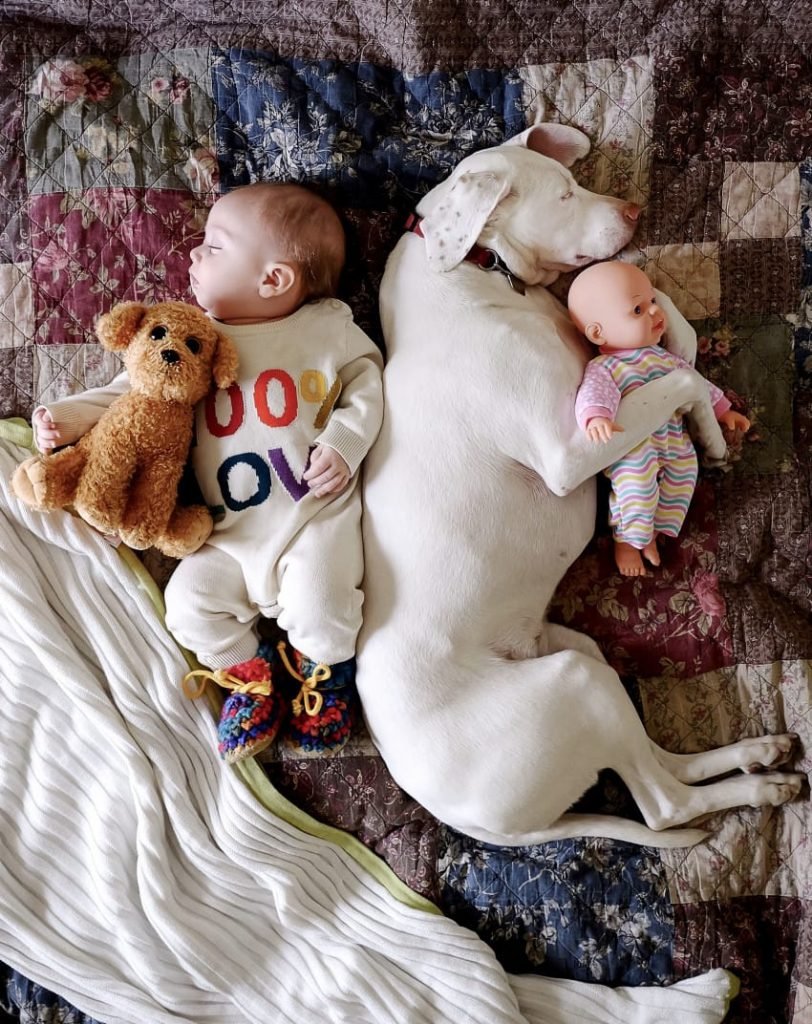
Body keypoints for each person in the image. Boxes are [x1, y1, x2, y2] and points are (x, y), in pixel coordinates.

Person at [32, 182, 384, 762]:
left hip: (309, 523)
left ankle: (324, 674)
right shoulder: (196, 336)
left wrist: (344, 445)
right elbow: (131, 393)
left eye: (214, 247)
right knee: (188, 609)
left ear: (273, 279)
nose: (192, 255)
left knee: (324, 606)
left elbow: (369, 384)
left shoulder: (326, 329)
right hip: (222, 534)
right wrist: (65, 419)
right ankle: (252, 674)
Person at [567, 260, 749, 578]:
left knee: (684, 476)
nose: (655, 312)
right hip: (634, 446)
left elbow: (696, 385)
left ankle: (654, 533)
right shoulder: (606, 367)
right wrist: (597, 418)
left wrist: (723, 410)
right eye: (638, 310)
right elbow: (594, 395)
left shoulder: (665, 358)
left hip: (674, 439)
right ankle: (627, 540)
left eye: (652, 301)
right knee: (637, 488)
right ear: (598, 331)